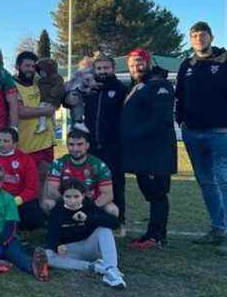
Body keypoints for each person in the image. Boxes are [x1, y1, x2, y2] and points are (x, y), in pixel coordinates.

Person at [175, 21, 227, 249]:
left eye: (202, 34)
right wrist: (181, 120)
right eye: (194, 35)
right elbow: (179, 96)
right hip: (192, 132)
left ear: (211, 37)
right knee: (206, 182)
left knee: (224, 180)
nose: (199, 39)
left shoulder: (225, 61)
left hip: (220, 132)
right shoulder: (186, 65)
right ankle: (218, 228)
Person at [122, 48, 177, 250]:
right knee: (151, 193)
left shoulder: (159, 85)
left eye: (139, 62)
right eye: (132, 64)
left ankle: (156, 237)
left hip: (156, 152)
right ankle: (153, 234)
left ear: (148, 63)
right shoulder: (138, 86)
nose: (136, 67)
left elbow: (160, 119)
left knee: (157, 194)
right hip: (143, 153)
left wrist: (133, 134)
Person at [45, 178, 125, 289]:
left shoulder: (88, 205)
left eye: (76, 197)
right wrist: (57, 245)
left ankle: (112, 271)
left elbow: (115, 223)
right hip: (71, 250)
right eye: (68, 197)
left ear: (83, 195)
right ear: (62, 196)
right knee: (48, 256)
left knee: (104, 230)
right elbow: (50, 236)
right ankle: (94, 267)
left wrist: (89, 218)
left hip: (90, 247)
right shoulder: (58, 210)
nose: (72, 201)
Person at [82, 54, 128, 235]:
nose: (102, 71)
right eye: (99, 68)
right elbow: (69, 100)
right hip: (91, 146)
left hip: (113, 146)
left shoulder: (120, 89)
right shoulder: (89, 90)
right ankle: (94, 220)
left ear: (113, 69)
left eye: (106, 68)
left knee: (115, 184)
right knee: (91, 185)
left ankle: (119, 222)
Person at [42, 129, 119, 217]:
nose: (75, 149)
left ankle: (99, 227)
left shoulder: (99, 165)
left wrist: (88, 208)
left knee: (112, 209)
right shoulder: (58, 164)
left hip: (92, 204)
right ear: (66, 145)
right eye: (71, 144)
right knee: (48, 203)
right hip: (65, 203)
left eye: (79, 144)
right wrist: (70, 204)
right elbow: (52, 191)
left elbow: (108, 195)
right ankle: (58, 225)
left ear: (87, 145)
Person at [0, 127, 43, 231]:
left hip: (18, 199)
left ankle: (20, 230)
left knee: (34, 218)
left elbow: (31, 188)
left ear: (14, 144)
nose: (1, 144)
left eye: (6, 141)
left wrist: (16, 200)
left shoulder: (26, 159)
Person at [12, 51, 56, 194]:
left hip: (46, 142)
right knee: (25, 183)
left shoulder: (40, 83)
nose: (30, 69)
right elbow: (20, 111)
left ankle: (41, 212)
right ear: (18, 66)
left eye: (33, 66)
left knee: (44, 180)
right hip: (26, 143)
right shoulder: (12, 85)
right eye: (26, 65)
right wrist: (45, 111)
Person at [35, 57, 64, 134]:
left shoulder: (56, 78)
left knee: (42, 109)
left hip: (52, 99)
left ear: (49, 70)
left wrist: (53, 93)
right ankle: (52, 123)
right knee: (46, 109)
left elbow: (59, 86)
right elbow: (37, 88)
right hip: (44, 99)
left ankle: (43, 125)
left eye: (43, 71)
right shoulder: (40, 80)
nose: (41, 73)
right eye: (40, 71)